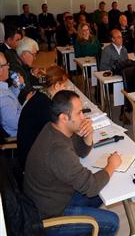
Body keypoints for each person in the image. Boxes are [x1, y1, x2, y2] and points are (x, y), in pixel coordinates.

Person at [23, 90, 121, 235]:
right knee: (113, 222)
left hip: (54, 196)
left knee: (104, 189)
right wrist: (112, 164)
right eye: (79, 113)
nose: (83, 117)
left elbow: (80, 151)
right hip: (50, 215)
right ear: (64, 117)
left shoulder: (54, 128)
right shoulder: (58, 150)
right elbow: (91, 186)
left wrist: (88, 137)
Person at [17, 65, 68, 170]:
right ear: (57, 85)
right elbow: (56, 135)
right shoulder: (45, 106)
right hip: (33, 161)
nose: (65, 89)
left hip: (32, 151)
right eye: (64, 85)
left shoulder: (41, 95)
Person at [0, 52, 22, 138]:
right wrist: (27, 104)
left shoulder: (2, 89)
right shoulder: (3, 97)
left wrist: (15, 87)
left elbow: (11, 100)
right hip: (19, 136)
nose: (9, 67)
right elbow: (16, 123)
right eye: (6, 64)